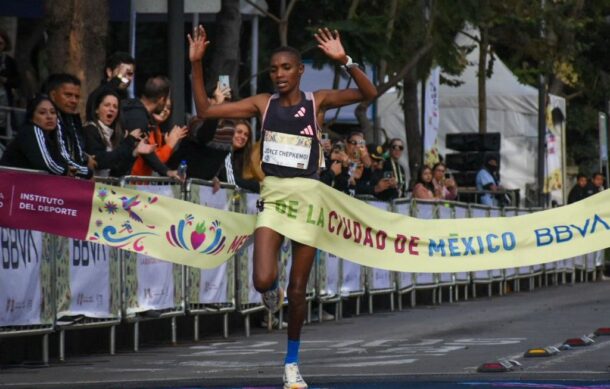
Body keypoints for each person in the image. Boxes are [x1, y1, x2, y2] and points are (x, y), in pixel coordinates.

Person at [188, 25, 376, 389]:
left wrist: (345, 60)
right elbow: (206, 109)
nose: (279, 75)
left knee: (298, 289)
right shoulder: (263, 104)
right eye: (274, 69)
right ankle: (268, 292)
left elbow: (369, 92)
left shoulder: (316, 101)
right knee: (263, 279)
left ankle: (291, 362)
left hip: (309, 197)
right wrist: (196, 64)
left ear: (299, 70)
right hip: (273, 195)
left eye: (286, 68)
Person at [0, 94, 85, 177]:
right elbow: (47, 164)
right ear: (31, 117)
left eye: (53, 112)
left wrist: (85, 172)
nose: (49, 117)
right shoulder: (31, 130)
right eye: (42, 113)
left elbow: (64, 158)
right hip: (10, 184)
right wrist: (66, 170)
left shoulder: (54, 135)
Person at [83, 89, 156, 177]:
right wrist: (129, 141)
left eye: (115, 107)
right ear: (96, 110)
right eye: (107, 105)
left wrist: (134, 153)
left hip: (104, 188)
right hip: (89, 188)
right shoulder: (90, 130)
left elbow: (118, 172)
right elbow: (101, 162)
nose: (111, 109)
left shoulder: (113, 134)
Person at [120, 75, 180, 179]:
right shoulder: (139, 119)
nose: (166, 107)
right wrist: (166, 171)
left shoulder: (134, 109)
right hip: (127, 180)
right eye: (166, 100)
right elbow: (145, 151)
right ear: (161, 100)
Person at [44, 73, 94, 178]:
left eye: (77, 96)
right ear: (53, 95)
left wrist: (85, 158)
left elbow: (77, 152)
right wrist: (87, 172)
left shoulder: (71, 119)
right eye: (68, 95)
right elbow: (63, 156)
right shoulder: (48, 119)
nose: (73, 101)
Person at [130, 96, 188, 176]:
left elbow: (158, 163)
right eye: (162, 105)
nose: (165, 110)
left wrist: (167, 146)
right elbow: (156, 159)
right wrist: (170, 145)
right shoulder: (145, 125)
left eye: (168, 108)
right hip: (132, 181)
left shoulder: (157, 130)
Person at [86, 51, 136, 121]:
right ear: (109, 72)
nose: (126, 78)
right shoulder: (98, 95)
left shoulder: (127, 99)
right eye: (122, 74)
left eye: (129, 74)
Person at [214, 119, 261, 193]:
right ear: (230, 133)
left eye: (246, 135)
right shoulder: (224, 150)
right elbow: (231, 182)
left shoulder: (238, 157)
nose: (242, 136)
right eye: (239, 132)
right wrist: (256, 185)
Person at [0, 29, 19, 140]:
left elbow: (17, 82)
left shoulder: (9, 62)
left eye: (0, 43)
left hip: (4, 101)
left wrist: (5, 80)